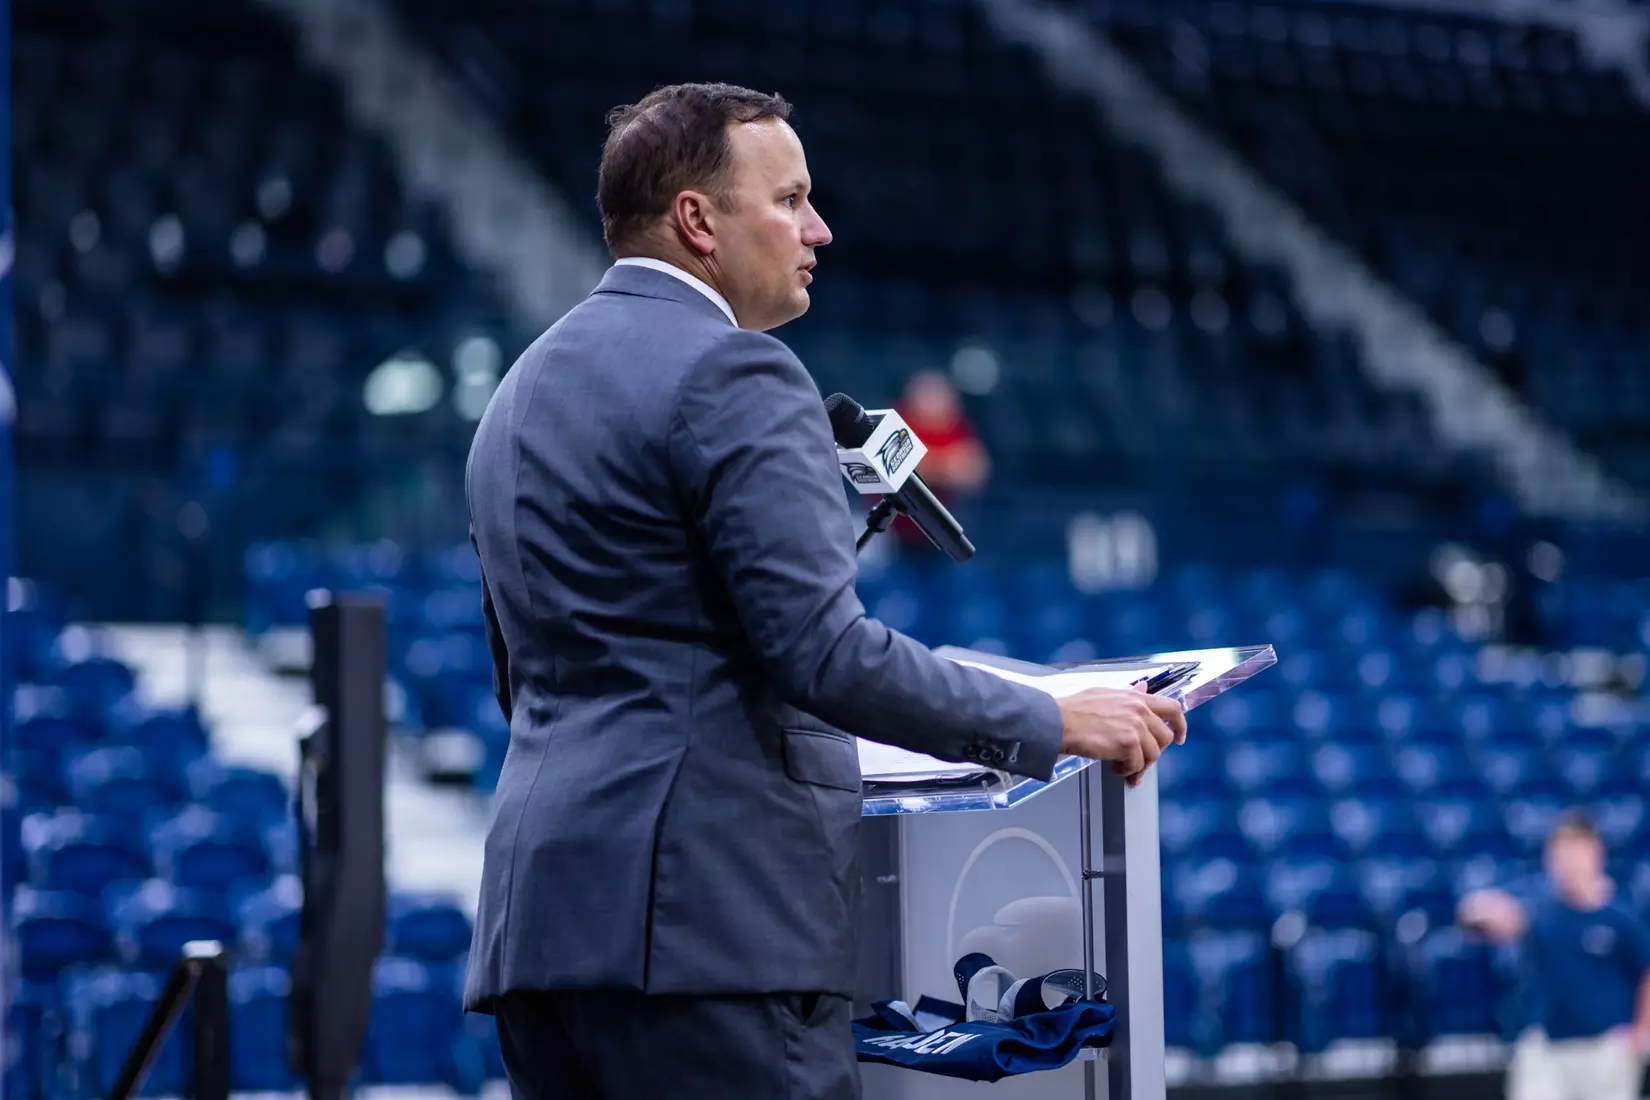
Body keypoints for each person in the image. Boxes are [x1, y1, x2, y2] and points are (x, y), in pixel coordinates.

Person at [461, 82, 1188, 1099]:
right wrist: (1053, 717)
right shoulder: (737, 372)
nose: (820, 227)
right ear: (698, 221)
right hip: (713, 941)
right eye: (791, 199)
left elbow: (523, 677)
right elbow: (827, 653)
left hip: (541, 936)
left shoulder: (515, 397)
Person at [1458, 812, 1650, 1100]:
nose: (1568, 863)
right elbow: (1488, 916)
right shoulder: (1541, 911)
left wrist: (1641, 1032)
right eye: (1560, 853)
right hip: (1547, 1047)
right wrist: (1484, 911)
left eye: (1575, 851)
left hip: (1605, 1048)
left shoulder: (1621, 918)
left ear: (1596, 852)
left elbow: (1646, 972)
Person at [891, 370, 989, 553]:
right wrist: (946, 466)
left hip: (950, 536)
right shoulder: (898, 423)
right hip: (900, 537)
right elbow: (900, 471)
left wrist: (927, 465)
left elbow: (975, 471)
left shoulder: (957, 426)